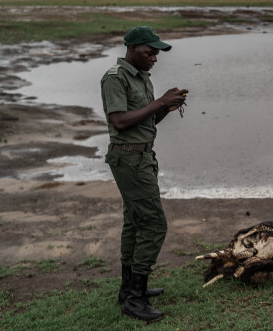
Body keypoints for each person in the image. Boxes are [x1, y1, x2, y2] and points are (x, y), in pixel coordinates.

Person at [101, 26, 188, 322]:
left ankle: (128, 290)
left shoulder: (142, 78)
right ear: (133, 48)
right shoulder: (115, 78)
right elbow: (120, 121)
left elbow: (147, 120)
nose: (155, 58)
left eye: (157, 53)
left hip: (142, 157)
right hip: (128, 160)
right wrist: (159, 102)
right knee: (154, 225)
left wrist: (167, 106)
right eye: (150, 52)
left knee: (134, 223)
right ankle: (135, 299)